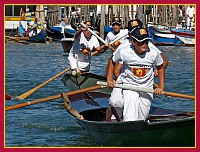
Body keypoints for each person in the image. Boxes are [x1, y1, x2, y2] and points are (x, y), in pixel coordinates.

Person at [106, 27, 165, 122]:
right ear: (133, 42)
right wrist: (109, 78)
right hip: (130, 87)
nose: (144, 44)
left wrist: (161, 86)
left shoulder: (153, 53)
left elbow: (161, 67)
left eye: (146, 41)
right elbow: (112, 60)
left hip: (146, 88)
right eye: (141, 42)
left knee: (142, 117)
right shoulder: (124, 51)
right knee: (130, 118)